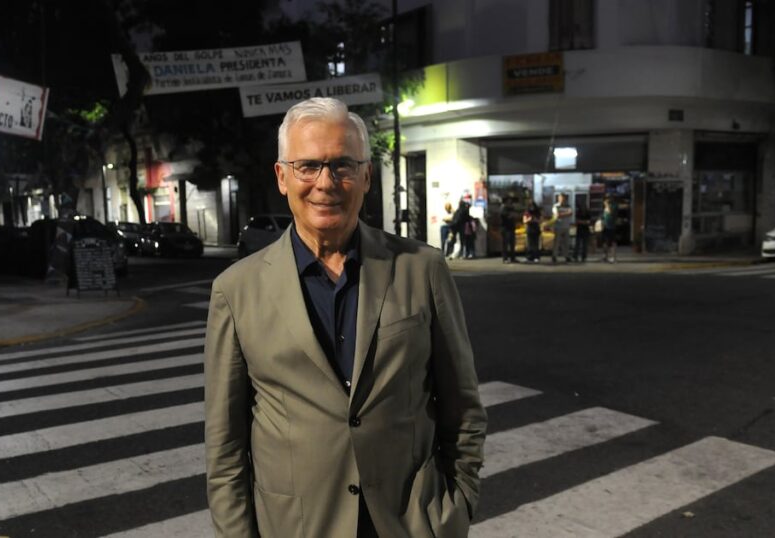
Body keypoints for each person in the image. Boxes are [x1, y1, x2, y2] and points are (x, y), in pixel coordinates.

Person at [205, 97, 487, 538]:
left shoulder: (422, 269)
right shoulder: (236, 290)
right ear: (282, 176)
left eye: (342, 165)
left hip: (410, 525)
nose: (326, 182)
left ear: (366, 176)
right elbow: (225, 447)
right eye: (308, 166)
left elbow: (463, 407)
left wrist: (456, 510)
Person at [550, 193, 573, 264]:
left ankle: (567, 256)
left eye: (563, 198)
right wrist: (566, 213)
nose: (562, 199)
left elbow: (571, 213)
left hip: (566, 226)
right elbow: (557, 215)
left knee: (566, 242)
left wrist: (562, 214)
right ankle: (554, 256)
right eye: (560, 198)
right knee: (557, 242)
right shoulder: (556, 206)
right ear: (558, 198)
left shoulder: (568, 206)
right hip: (558, 226)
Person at [499, 197, 519, 263]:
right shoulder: (503, 208)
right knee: (505, 244)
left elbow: (515, 215)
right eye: (509, 201)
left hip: (511, 228)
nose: (510, 203)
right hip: (505, 228)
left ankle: (513, 258)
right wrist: (511, 215)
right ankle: (505, 258)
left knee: (512, 244)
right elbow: (505, 216)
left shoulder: (511, 208)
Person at [600, 196, 619, 263]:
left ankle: (613, 257)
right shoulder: (605, 207)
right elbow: (604, 216)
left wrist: (607, 205)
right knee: (605, 242)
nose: (605, 201)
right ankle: (605, 257)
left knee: (612, 242)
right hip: (605, 227)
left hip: (611, 227)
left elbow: (611, 213)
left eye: (606, 199)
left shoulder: (614, 206)